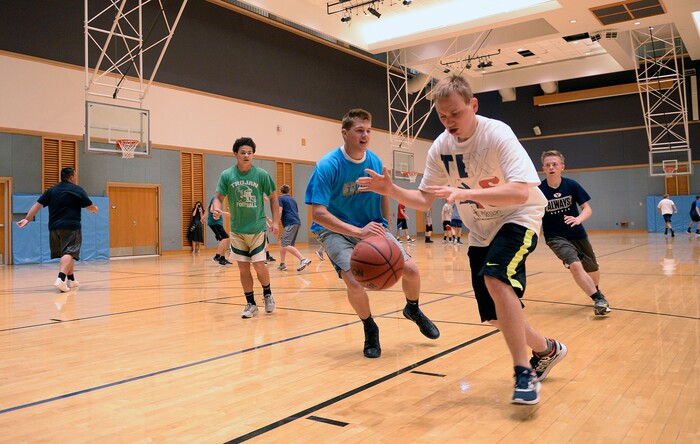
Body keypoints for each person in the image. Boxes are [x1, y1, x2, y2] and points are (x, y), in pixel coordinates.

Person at [357, 75, 567, 405]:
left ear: (473, 105)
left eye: (455, 113)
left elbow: (520, 190)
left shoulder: (496, 133)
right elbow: (425, 200)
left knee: (496, 281)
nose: (449, 122)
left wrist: (464, 192)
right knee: (497, 316)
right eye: (442, 116)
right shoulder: (441, 147)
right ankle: (546, 349)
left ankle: (523, 373)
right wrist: (392, 190)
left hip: (518, 217)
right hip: (481, 231)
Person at [305, 108, 439, 359]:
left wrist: (385, 225)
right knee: (354, 281)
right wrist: (358, 231)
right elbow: (319, 214)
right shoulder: (327, 165)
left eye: (368, 131)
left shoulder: (375, 162)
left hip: (371, 226)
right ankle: (369, 326)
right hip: (334, 231)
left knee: (411, 269)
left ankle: (413, 309)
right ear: (345, 133)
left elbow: (383, 193)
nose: (365, 135)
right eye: (359, 131)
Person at [211, 137, 279, 319]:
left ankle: (268, 293)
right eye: (243, 152)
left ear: (253, 155)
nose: (246, 155)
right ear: (236, 154)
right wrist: (217, 207)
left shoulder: (262, 175)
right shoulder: (227, 175)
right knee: (243, 268)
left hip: (257, 228)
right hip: (237, 230)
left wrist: (275, 222)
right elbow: (218, 197)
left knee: (258, 265)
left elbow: (273, 198)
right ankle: (251, 303)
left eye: (249, 152)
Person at [539, 150, 610, 316]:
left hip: (577, 233)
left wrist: (578, 219)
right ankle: (599, 298)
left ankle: (595, 289)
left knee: (592, 268)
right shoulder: (539, 190)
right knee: (575, 264)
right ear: (543, 168)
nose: (551, 167)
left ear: (562, 167)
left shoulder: (571, 185)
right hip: (555, 236)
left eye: (554, 164)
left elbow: (587, 208)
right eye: (548, 165)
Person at [16, 167, 99, 292]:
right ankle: (60, 279)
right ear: (71, 177)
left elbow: (37, 205)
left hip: (54, 227)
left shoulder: (52, 190)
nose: (76, 177)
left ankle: (71, 279)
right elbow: (90, 207)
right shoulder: (77, 190)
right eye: (75, 175)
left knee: (67, 253)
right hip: (71, 227)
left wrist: (27, 219)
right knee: (69, 252)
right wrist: (95, 209)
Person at [276, 184, 312, 272]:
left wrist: (276, 223)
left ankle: (303, 259)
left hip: (290, 222)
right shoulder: (293, 200)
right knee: (283, 242)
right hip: (296, 222)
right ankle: (282, 263)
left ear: (280, 191)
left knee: (285, 243)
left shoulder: (280, 198)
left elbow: (280, 211)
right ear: (289, 191)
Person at [208, 195, 232, 265]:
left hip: (218, 223)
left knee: (223, 240)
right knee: (225, 238)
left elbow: (208, 208)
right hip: (214, 223)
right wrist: (216, 214)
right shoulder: (216, 198)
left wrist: (221, 212)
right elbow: (211, 209)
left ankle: (222, 258)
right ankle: (217, 256)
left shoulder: (219, 200)